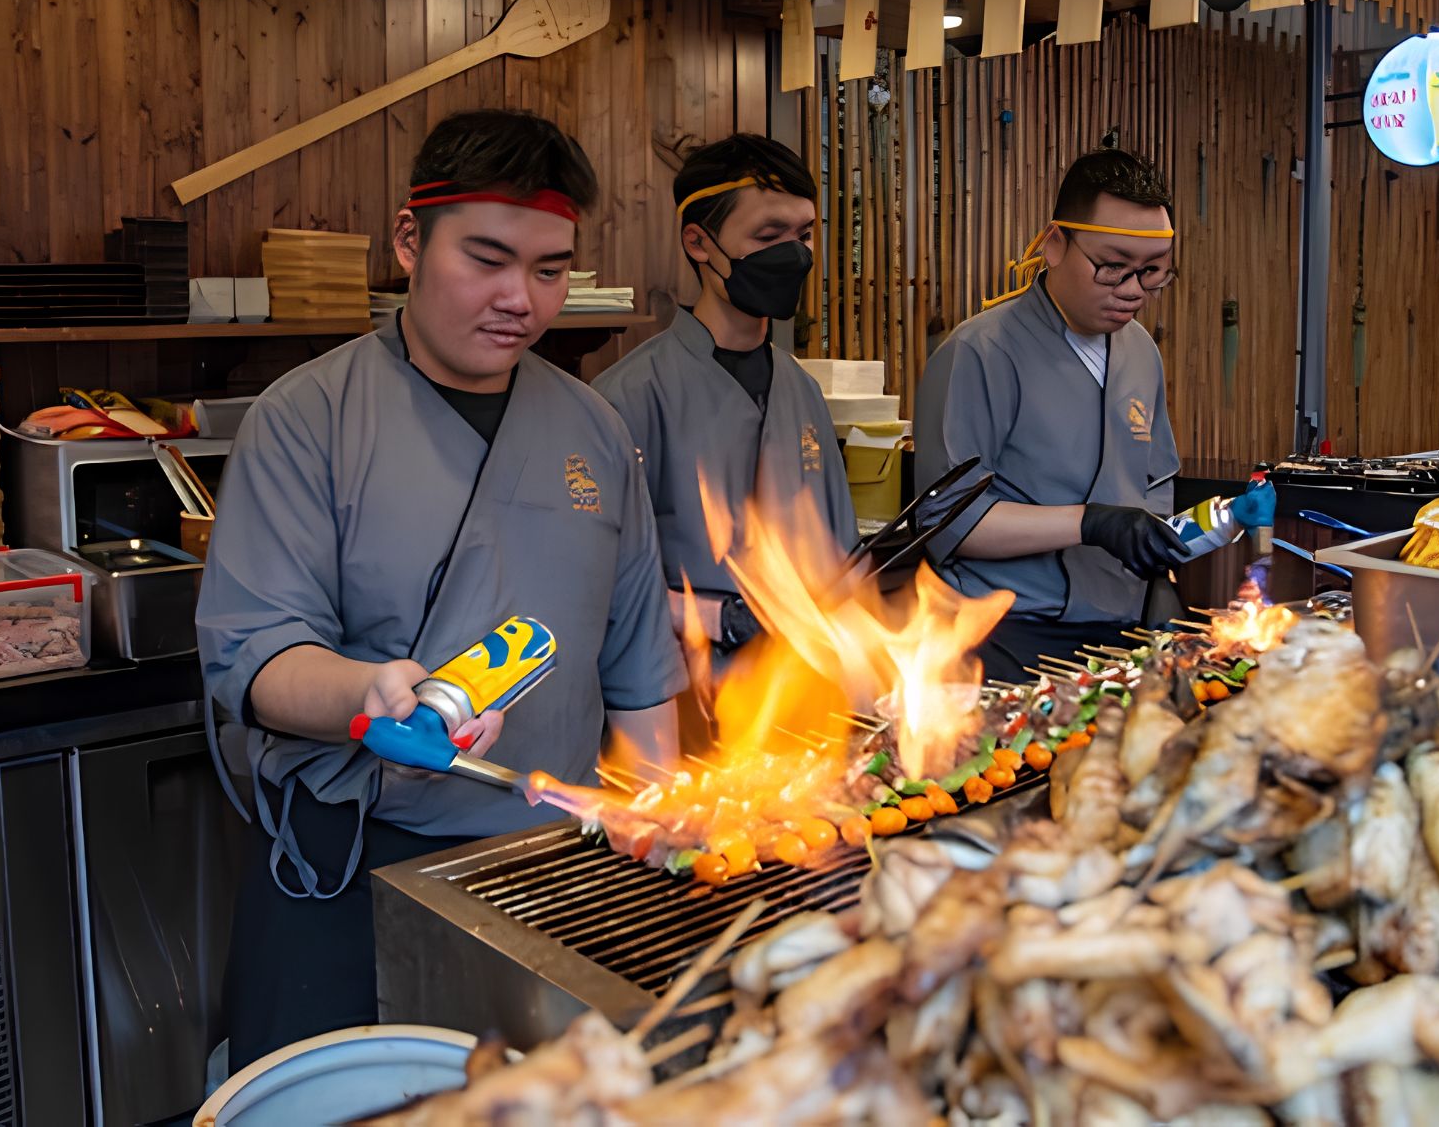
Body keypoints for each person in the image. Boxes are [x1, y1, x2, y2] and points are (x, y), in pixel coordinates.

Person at [197, 110, 686, 1070]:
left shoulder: (594, 430)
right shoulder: (308, 418)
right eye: (488, 259)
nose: (520, 299)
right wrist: (368, 690)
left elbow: (637, 670)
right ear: (410, 239)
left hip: (547, 866)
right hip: (353, 864)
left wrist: (660, 827)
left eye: (550, 270)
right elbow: (257, 657)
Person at [915, 148, 1187, 681]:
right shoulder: (981, 352)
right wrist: (1090, 523)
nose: (1133, 290)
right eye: (1112, 267)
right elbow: (950, 520)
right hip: (1004, 629)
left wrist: (1160, 574)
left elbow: (1155, 484)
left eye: (1151, 272)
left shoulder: (1140, 351)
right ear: (1055, 244)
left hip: (1120, 624)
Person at [593, 134, 857, 671]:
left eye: (804, 235)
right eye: (769, 236)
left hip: (805, 684)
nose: (794, 254)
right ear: (699, 243)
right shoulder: (629, 396)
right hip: (685, 690)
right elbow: (594, 577)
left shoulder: (801, 390)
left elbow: (844, 559)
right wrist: (722, 618)